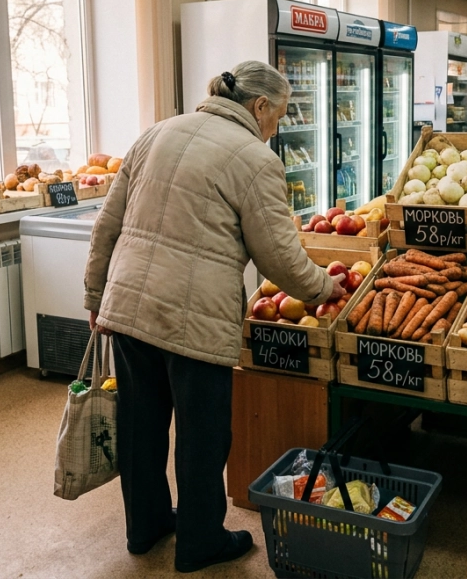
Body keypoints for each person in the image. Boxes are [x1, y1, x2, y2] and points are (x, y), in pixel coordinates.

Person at [83, 61, 344, 572]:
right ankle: (200, 541)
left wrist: (95, 294)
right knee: (203, 436)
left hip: (130, 306)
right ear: (260, 106)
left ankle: (145, 528)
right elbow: (279, 256)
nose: (277, 128)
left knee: (141, 425)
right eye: (279, 116)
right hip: (194, 320)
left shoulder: (155, 133)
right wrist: (323, 287)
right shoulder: (255, 159)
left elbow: (106, 224)